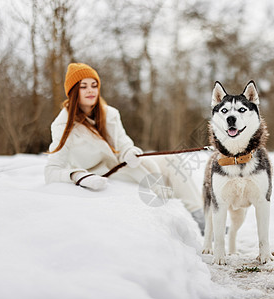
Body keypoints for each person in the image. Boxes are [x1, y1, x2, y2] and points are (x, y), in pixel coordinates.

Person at [44, 63, 204, 233]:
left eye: (94, 85)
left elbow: (123, 142)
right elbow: (51, 171)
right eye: (83, 87)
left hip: (120, 164)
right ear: (73, 92)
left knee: (173, 161)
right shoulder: (63, 125)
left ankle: (202, 218)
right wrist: (78, 176)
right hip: (101, 173)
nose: (90, 90)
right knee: (156, 176)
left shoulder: (110, 114)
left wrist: (130, 152)